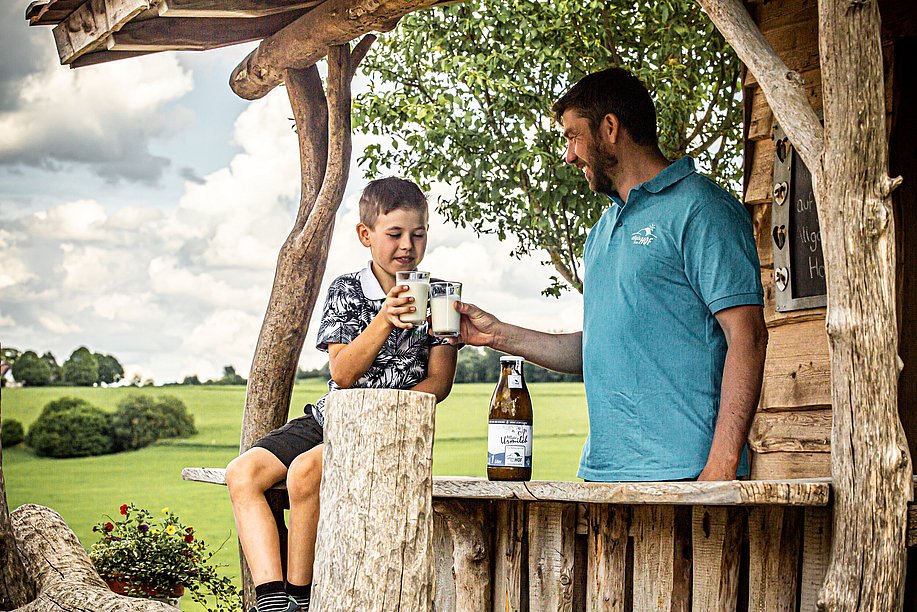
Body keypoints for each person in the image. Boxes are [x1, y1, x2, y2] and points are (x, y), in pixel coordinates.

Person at [456, 67, 767, 482]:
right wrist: (494, 335)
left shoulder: (702, 209)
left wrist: (721, 469)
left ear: (609, 128)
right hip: (604, 476)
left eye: (572, 136)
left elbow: (748, 336)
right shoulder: (601, 234)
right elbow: (598, 350)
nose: (568, 155)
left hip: (687, 478)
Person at [225, 177, 458, 612]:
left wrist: (386, 414)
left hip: (387, 430)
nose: (407, 245)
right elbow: (343, 373)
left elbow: (439, 383)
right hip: (331, 416)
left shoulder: (440, 296)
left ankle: (300, 595)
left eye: (418, 233)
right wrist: (385, 318)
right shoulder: (346, 290)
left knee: (304, 473)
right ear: (366, 236)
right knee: (242, 474)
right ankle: (272, 599)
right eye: (394, 234)